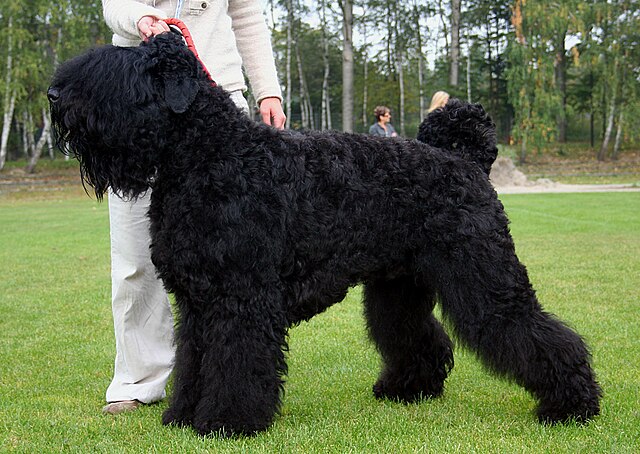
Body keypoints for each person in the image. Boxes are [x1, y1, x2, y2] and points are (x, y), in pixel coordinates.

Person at [100, 0, 286, 415]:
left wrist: (267, 88)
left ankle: (226, 395)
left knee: (229, 273)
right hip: (140, 93)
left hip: (216, 91)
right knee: (135, 261)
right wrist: (142, 19)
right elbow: (114, 3)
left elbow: (248, 15)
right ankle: (138, 381)